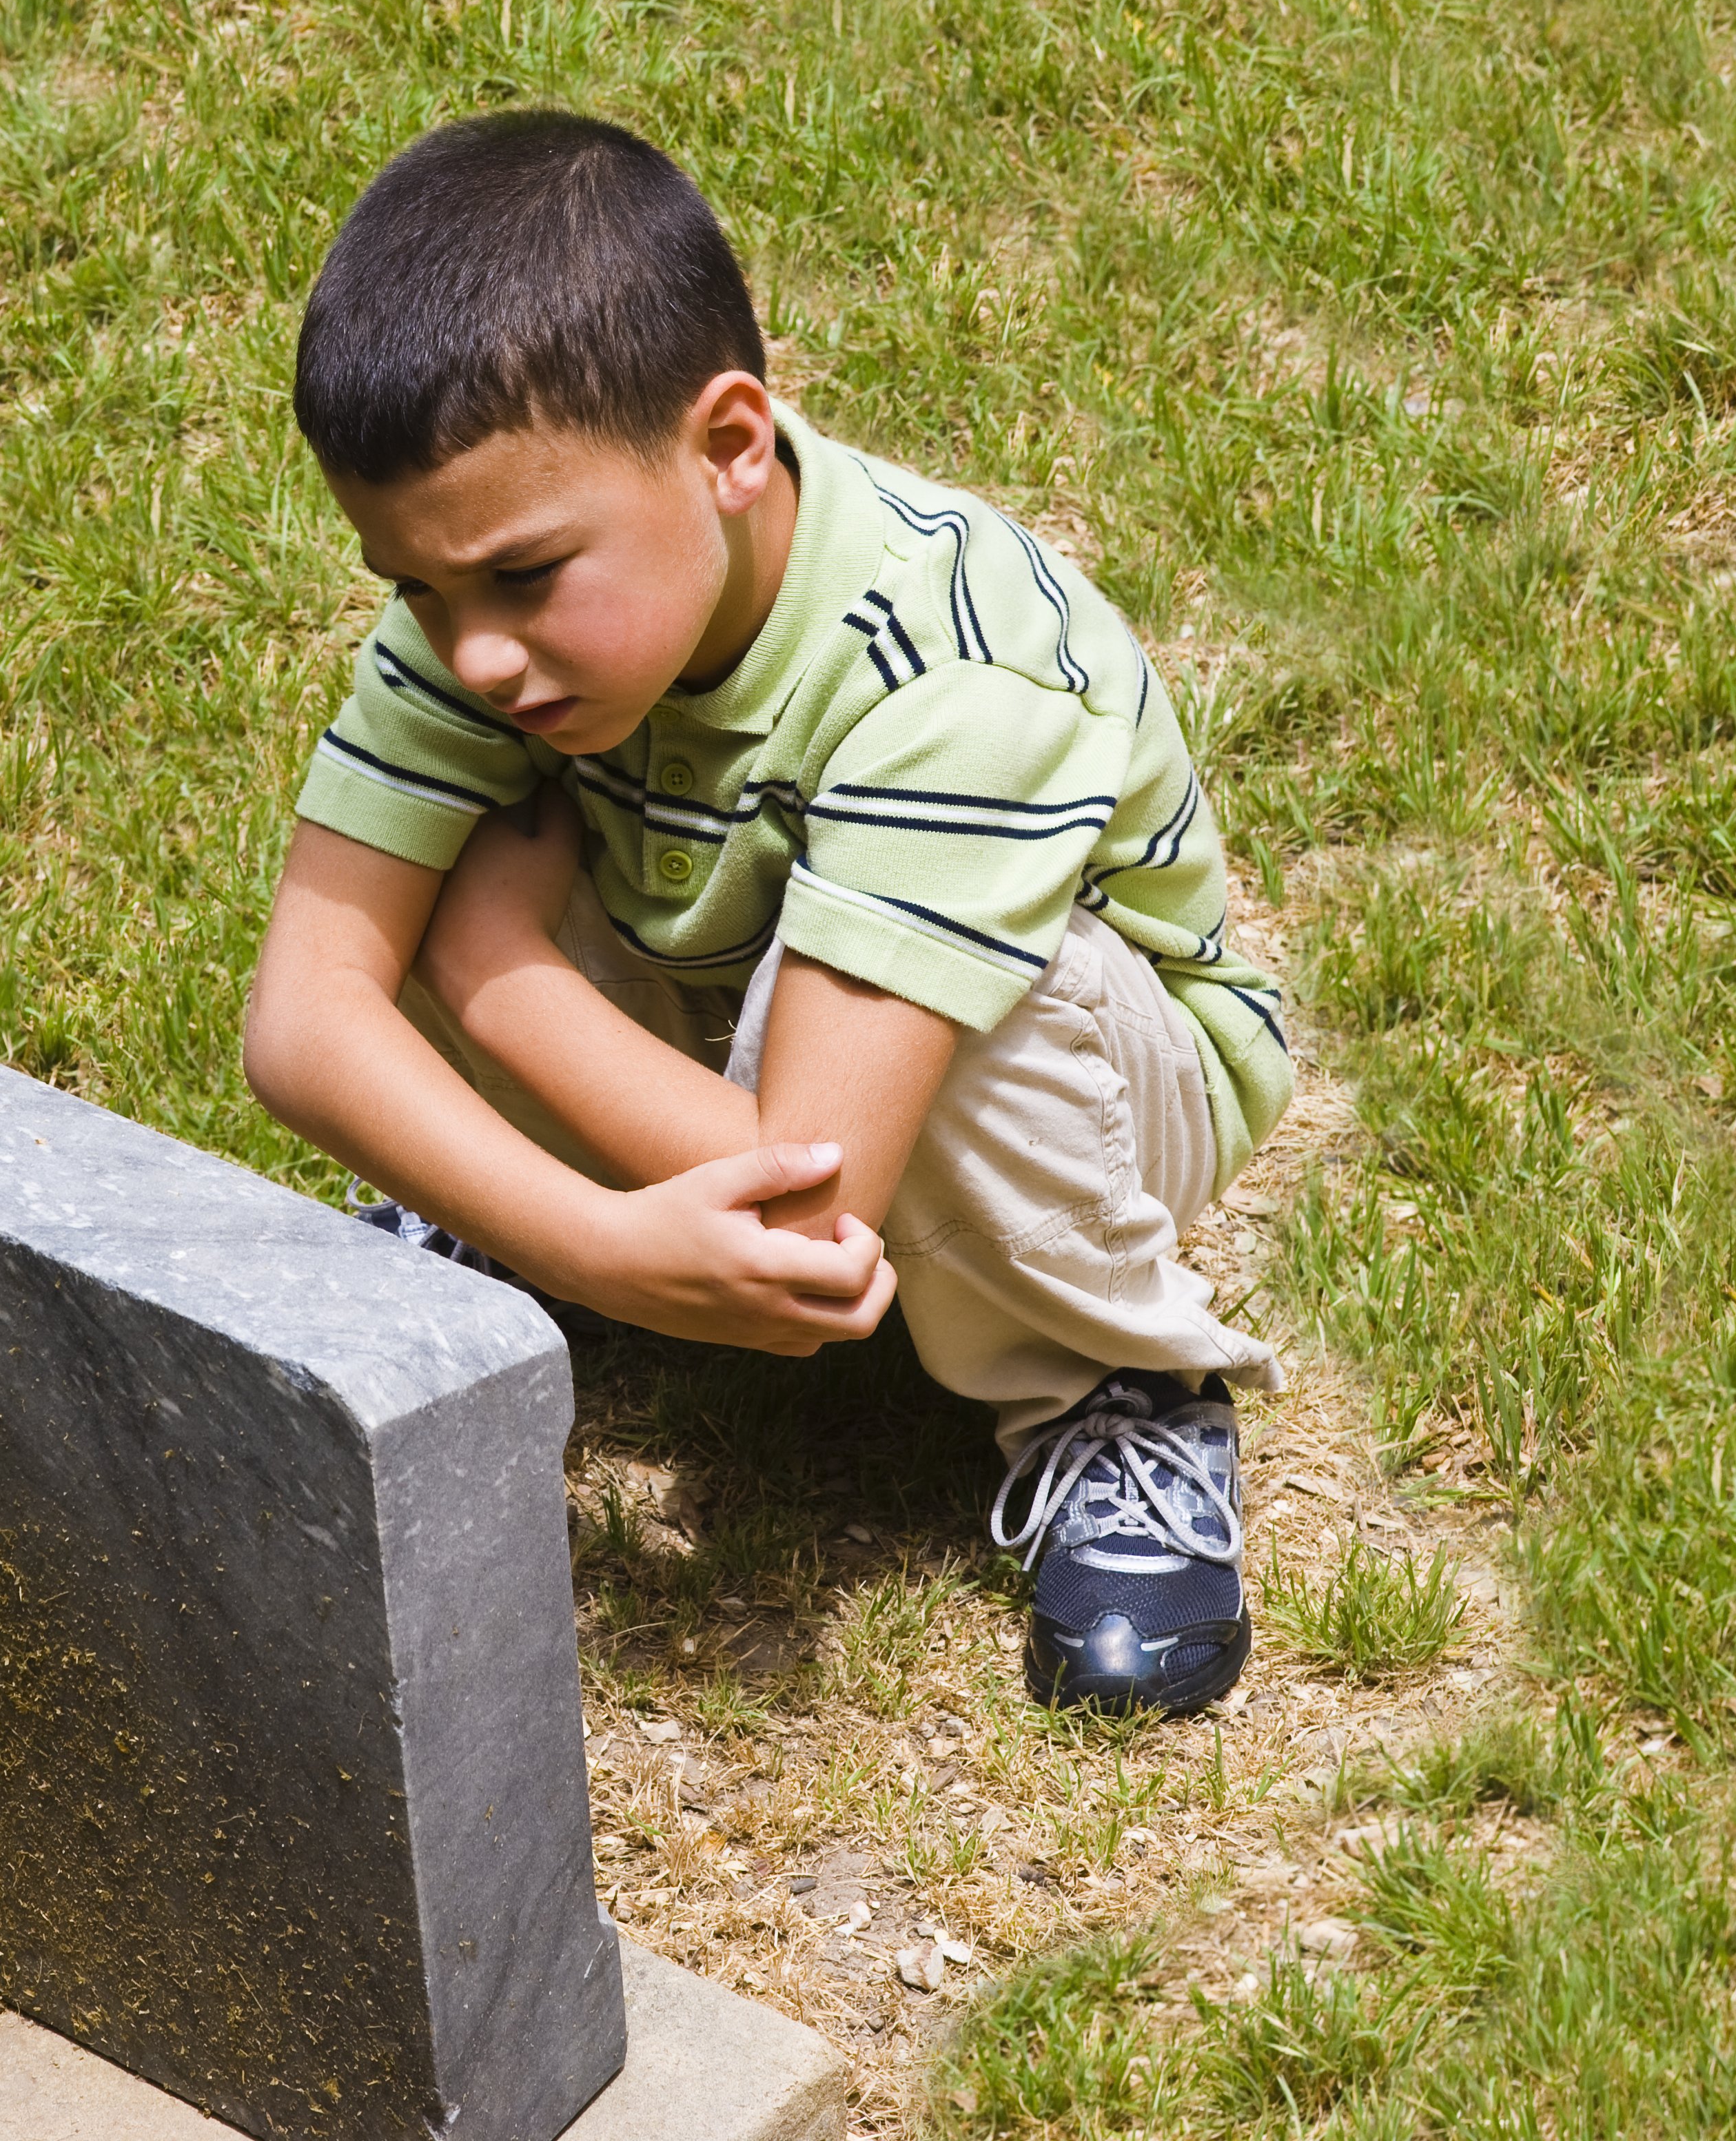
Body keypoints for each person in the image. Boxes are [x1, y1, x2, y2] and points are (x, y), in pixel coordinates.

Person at [238, 112, 1294, 1717]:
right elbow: (303, 1017)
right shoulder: (496, 614)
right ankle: (557, 1241)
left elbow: (814, 1221)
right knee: (469, 846)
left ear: (732, 444)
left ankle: (1114, 1385)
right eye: (416, 591)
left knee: (987, 991)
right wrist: (589, 1236)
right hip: (740, 1034)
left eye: (523, 577)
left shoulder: (953, 665)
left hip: (1069, 1100)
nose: (474, 657)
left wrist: (494, 965)